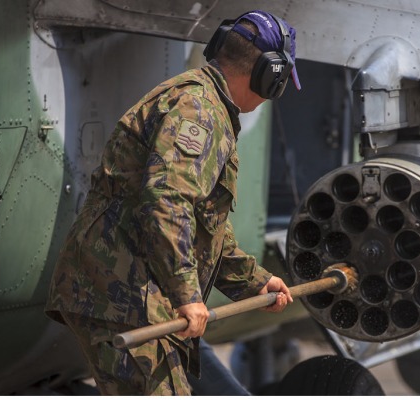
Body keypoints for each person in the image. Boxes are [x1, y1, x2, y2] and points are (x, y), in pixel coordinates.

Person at [45, 9, 300, 395]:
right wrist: (187, 295)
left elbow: (204, 224)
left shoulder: (205, 103)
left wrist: (254, 283)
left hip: (133, 292)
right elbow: (166, 203)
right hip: (123, 293)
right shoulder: (198, 112)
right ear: (270, 76)